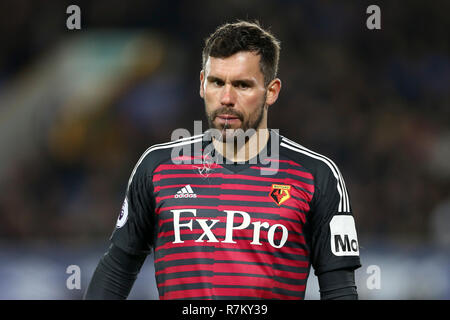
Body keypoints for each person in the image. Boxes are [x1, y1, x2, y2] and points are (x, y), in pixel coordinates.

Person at [84, 20, 361, 300]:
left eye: (242, 85)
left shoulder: (316, 175)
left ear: (272, 91)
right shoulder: (157, 167)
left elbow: (339, 289)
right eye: (217, 82)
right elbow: (117, 267)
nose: (226, 98)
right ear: (202, 84)